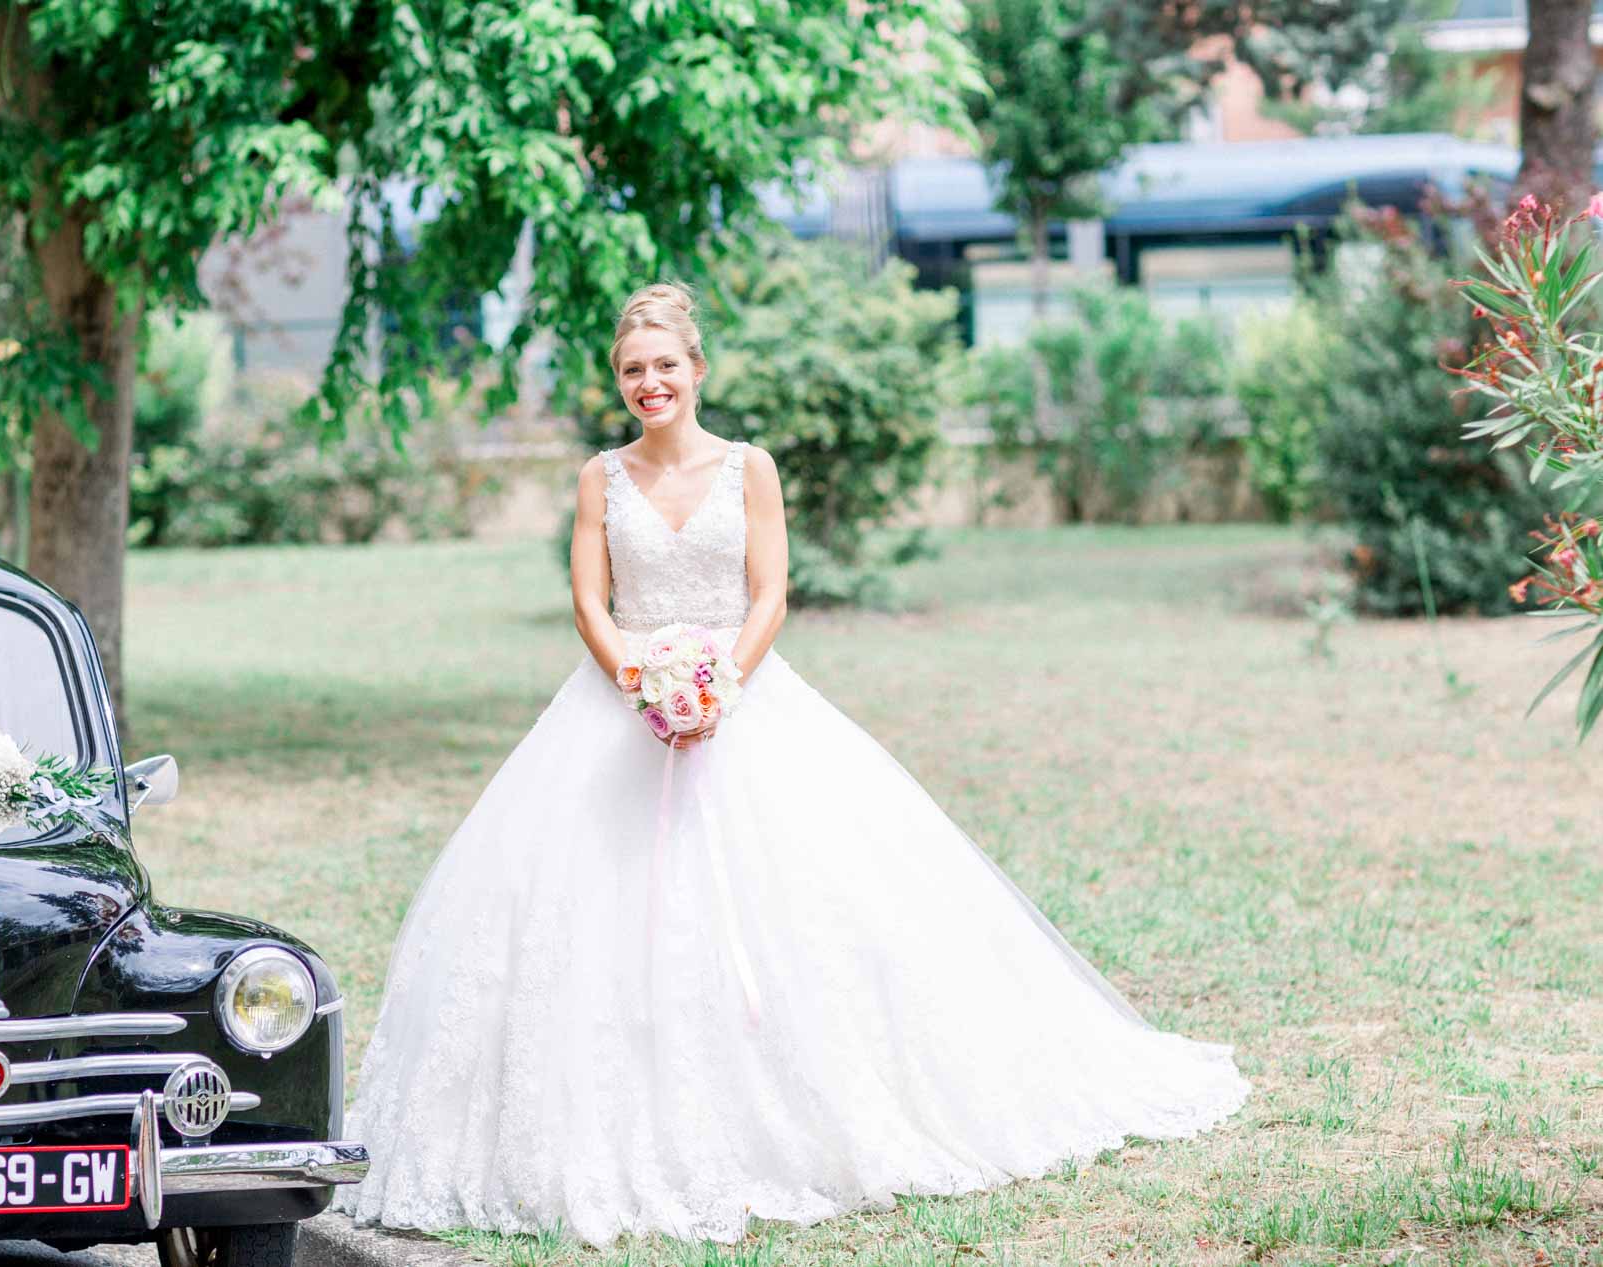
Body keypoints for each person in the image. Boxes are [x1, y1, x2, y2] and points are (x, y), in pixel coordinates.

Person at [336, 282, 1249, 1247]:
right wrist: (643, 685)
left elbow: (770, 591)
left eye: (666, 366)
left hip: (743, 698)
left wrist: (716, 686)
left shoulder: (749, 468)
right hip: (619, 707)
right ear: (619, 380)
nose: (651, 383)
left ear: (698, 370)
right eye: (633, 370)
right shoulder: (599, 478)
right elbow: (590, 604)